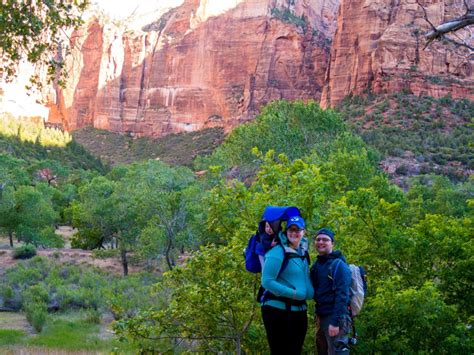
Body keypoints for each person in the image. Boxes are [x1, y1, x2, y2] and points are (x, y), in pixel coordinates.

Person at [261, 216, 314, 354]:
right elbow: (267, 281)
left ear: (304, 232)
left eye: (298, 230)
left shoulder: (302, 252)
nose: (294, 233)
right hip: (277, 311)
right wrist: (294, 294)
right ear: (286, 231)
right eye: (291, 229)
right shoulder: (278, 251)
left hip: (299, 311)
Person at [310, 228, 352, 355]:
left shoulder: (338, 265)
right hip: (321, 316)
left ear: (332, 243)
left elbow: (343, 295)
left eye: (325, 240)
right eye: (318, 239)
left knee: (337, 352)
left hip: (335, 317)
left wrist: (335, 322)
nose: (321, 242)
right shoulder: (317, 265)